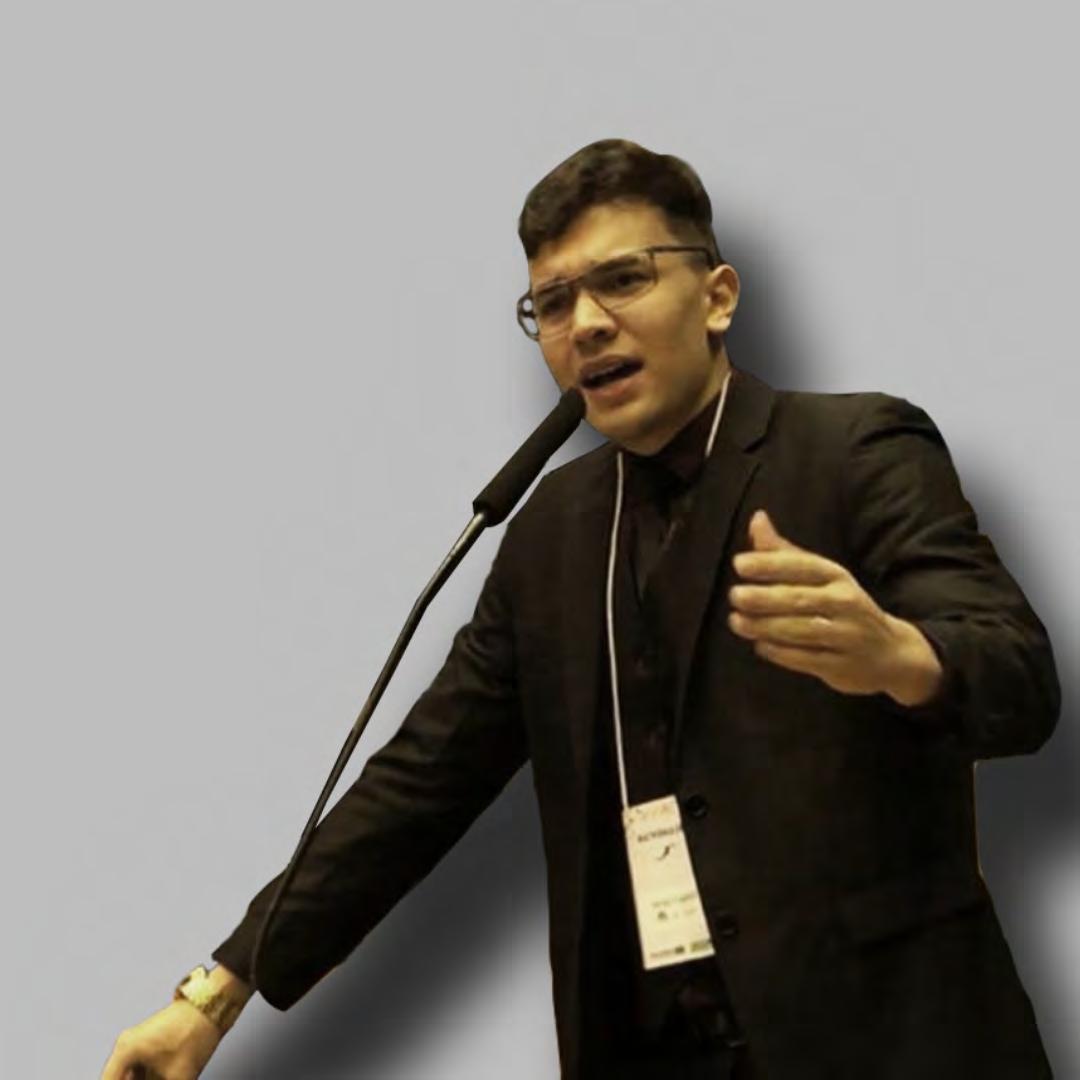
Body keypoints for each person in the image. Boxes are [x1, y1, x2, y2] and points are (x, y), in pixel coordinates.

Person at [103, 139, 1060, 1080]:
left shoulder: (854, 450)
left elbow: (1019, 674)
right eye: (553, 303)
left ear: (718, 297)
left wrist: (901, 657)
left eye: (623, 280)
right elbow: (417, 786)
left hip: (887, 1041)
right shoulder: (550, 532)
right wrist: (215, 995)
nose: (587, 324)